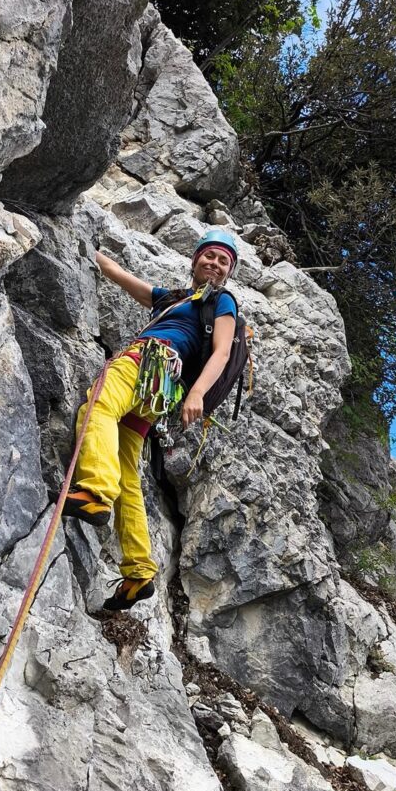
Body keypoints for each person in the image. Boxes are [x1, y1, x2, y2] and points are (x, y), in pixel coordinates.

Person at [62, 229, 239, 610]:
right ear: (194, 261)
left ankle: (94, 492)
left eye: (224, 261)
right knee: (127, 468)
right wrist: (83, 243)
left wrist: (197, 394)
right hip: (158, 392)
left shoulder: (223, 302)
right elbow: (122, 277)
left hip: (151, 364)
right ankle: (139, 570)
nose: (215, 263)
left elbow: (222, 352)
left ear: (229, 272)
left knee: (99, 406)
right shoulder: (174, 299)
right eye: (209, 255)